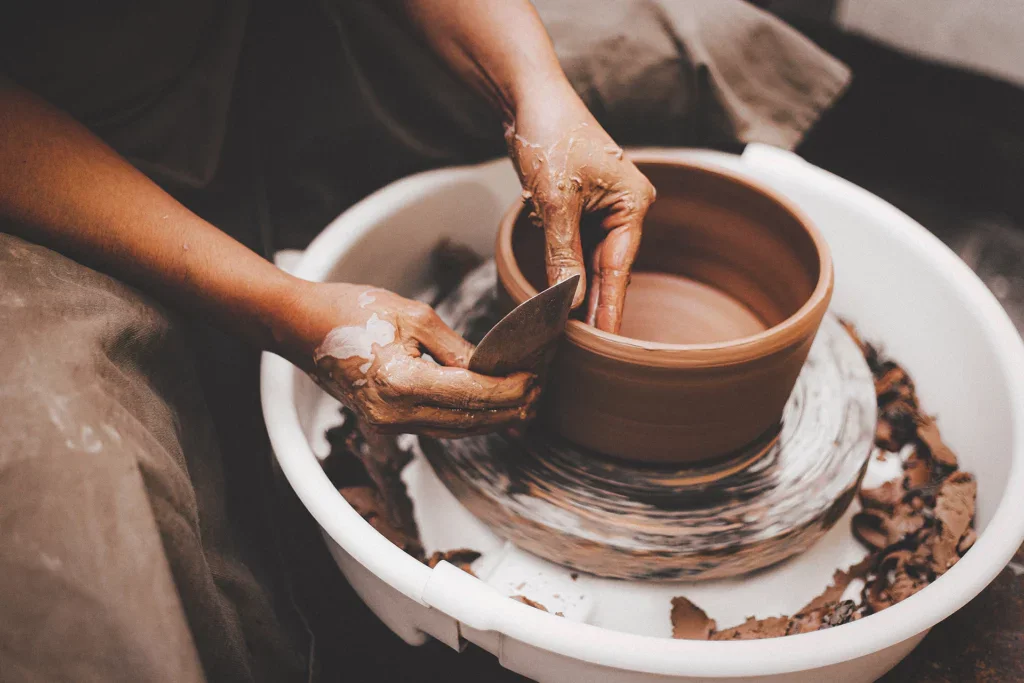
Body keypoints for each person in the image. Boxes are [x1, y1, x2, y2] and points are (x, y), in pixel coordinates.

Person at [0, 0, 849, 680]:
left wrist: (532, 89)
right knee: (77, 512)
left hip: (267, 35)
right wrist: (276, 305)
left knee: (689, 42)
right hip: (45, 155)